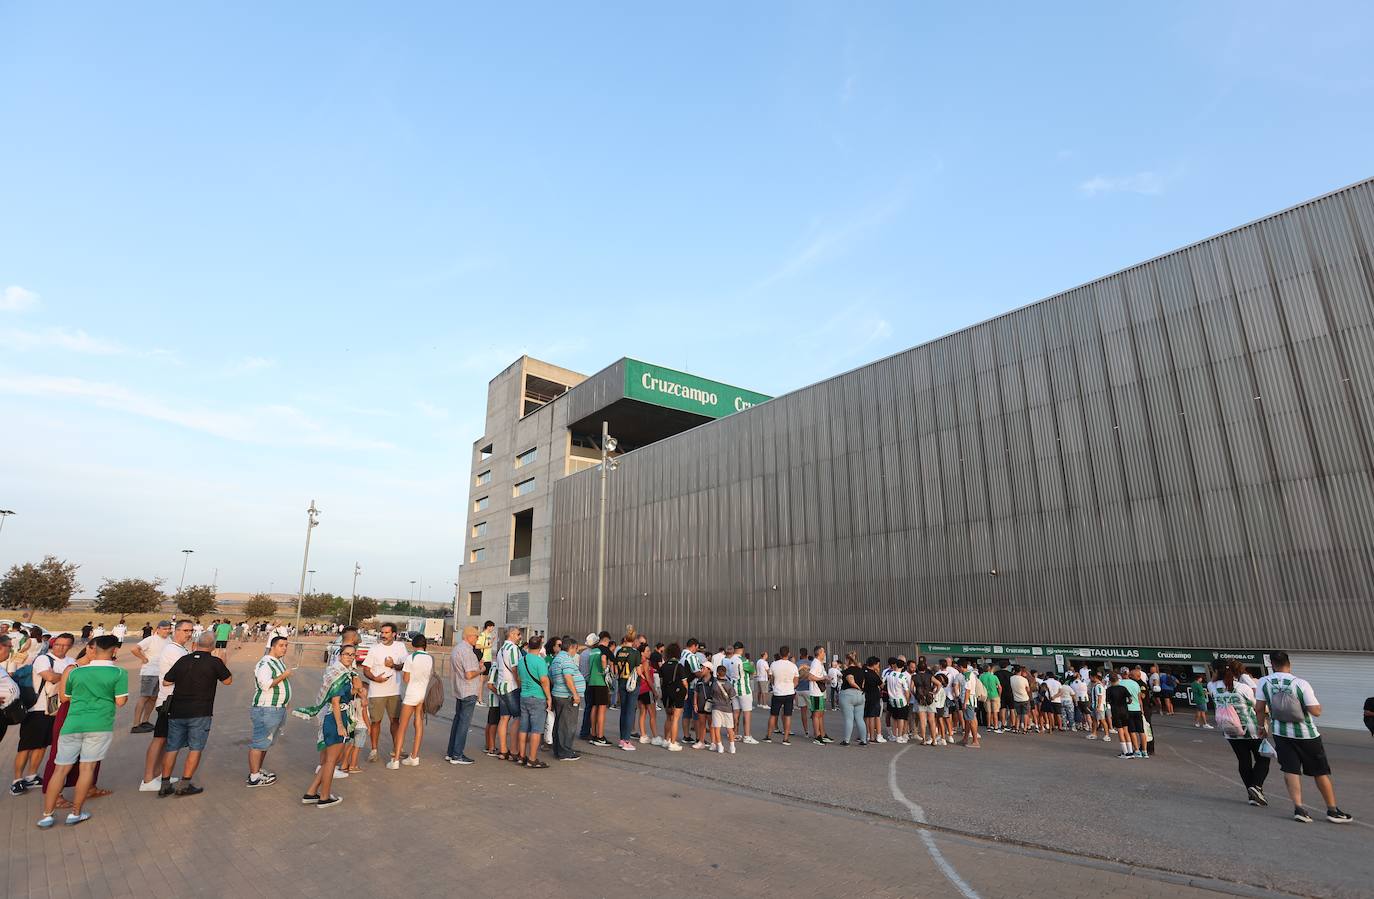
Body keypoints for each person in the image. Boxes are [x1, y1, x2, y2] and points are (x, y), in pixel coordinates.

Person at [35, 635, 126, 828]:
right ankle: (75, 813)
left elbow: (65, 697)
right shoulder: (119, 672)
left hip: (71, 724)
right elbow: (120, 701)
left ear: (93, 649)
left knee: (60, 769)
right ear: (114, 650)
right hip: (98, 725)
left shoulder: (75, 671)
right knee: (87, 769)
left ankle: (47, 815)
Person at [1255, 651, 1353, 824]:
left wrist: (1261, 727)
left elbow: (1259, 708)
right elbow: (1316, 711)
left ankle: (1299, 808)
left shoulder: (1264, 682)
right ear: (1289, 663)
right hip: (1307, 735)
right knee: (1320, 771)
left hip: (1280, 733)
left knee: (1290, 770)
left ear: (1272, 664)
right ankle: (1332, 810)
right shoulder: (1300, 683)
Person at [158, 631, 232, 796]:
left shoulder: (184, 659)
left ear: (197, 643)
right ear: (212, 646)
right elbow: (228, 681)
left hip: (177, 710)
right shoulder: (214, 662)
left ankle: (165, 784)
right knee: (195, 748)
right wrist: (223, 663)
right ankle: (184, 784)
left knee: (172, 747)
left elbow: (167, 681)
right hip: (200, 711)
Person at [296, 645, 358, 809]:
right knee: (331, 761)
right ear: (339, 655)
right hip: (336, 717)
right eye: (346, 654)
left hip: (336, 715)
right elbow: (335, 702)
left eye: (352, 655)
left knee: (331, 760)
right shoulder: (339, 675)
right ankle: (324, 797)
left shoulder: (342, 673)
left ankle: (311, 793)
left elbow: (347, 695)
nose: (350, 657)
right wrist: (340, 726)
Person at [13, 632, 74, 796]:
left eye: (65, 645)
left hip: (55, 709)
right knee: (26, 746)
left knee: (42, 745)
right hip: (37, 709)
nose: (60, 648)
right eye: (58, 644)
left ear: (70, 646)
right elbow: (50, 677)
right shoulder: (43, 659)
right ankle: (17, 780)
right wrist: (67, 676)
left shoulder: (71, 661)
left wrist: (63, 677)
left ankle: (32, 775)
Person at [140, 620, 194, 791]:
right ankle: (148, 779)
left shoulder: (181, 649)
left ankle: (158, 774)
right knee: (160, 738)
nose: (189, 634)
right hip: (168, 701)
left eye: (191, 631)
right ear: (176, 631)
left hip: (175, 700)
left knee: (166, 740)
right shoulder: (172, 650)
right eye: (185, 630)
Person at [1211, 662, 1270, 807]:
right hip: (1250, 729)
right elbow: (1257, 707)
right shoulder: (1243, 688)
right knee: (1263, 758)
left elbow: (1214, 682)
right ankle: (1256, 786)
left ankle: (1252, 794)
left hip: (1230, 730)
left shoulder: (1212, 686)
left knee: (1243, 760)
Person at [247, 635, 293, 787]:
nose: (284, 648)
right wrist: (284, 675)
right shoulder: (265, 663)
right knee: (259, 742)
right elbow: (265, 685)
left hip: (277, 707)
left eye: (286, 645)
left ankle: (258, 770)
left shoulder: (278, 662)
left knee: (265, 743)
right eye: (281, 645)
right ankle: (254, 777)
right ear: (272, 647)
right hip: (266, 708)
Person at [363, 623, 409, 763]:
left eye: (386, 632)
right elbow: (366, 669)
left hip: (394, 691)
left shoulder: (400, 647)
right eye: (382, 632)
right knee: (376, 721)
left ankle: (397, 748)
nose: (383, 635)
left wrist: (393, 665)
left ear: (394, 634)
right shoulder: (374, 649)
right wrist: (375, 679)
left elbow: (406, 666)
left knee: (395, 721)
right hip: (376, 692)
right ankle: (374, 750)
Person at [389, 634, 431, 769]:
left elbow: (406, 679)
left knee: (402, 726)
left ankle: (395, 760)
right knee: (418, 724)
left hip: (411, 694)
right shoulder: (430, 658)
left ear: (413, 644)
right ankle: (414, 756)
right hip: (423, 694)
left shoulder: (411, 658)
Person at [445, 625, 483, 765]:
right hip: (468, 690)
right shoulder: (467, 651)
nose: (477, 639)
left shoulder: (457, 649)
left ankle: (451, 752)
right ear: (469, 636)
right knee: (463, 724)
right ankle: (457, 754)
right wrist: (481, 669)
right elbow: (469, 674)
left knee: (457, 721)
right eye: (476, 636)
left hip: (459, 689)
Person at [129, 621, 172, 733]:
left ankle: (145, 721)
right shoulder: (150, 639)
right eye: (164, 629)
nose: (167, 631)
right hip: (150, 672)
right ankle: (136, 724)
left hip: (161, 673)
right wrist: (143, 658)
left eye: (169, 629)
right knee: (144, 697)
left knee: (153, 698)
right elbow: (134, 649)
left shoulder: (169, 640)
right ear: (158, 629)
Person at [515, 636, 551, 768]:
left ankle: (521, 756)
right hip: (537, 697)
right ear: (540, 647)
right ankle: (532, 759)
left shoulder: (521, 660)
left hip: (524, 696)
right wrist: (549, 697)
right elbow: (544, 680)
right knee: (536, 729)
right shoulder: (540, 661)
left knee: (523, 728)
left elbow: (519, 678)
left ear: (529, 645)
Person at [548, 638, 583, 761]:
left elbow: (550, 675)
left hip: (558, 694)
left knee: (560, 723)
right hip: (567, 696)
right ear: (571, 647)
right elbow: (568, 677)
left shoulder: (557, 658)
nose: (576, 652)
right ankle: (565, 752)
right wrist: (575, 694)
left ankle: (559, 749)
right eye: (576, 649)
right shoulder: (566, 659)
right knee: (568, 725)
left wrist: (558, 686)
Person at [612, 630, 642, 751]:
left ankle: (621, 739)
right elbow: (638, 671)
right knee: (630, 711)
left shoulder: (619, 651)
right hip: (632, 684)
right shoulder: (635, 653)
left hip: (621, 682)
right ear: (634, 640)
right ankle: (626, 740)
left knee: (623, 711)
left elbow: (615, 668)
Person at [763, 646, 798, 745]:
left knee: (773, 715)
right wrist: (790, 687)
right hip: (789, 692)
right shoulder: (793, 666)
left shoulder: (774, 664)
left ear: (780, 653)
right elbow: (796, 681)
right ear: (789, 654)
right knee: (787, 715)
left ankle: (768, 736)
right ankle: (785, 738)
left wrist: (775, 684)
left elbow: (771, 678)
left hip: (778, 692)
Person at [658, 642, 689, 751]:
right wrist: (686, 693)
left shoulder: (664, 666)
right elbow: (684, 682)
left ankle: (666, 740)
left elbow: (661, 681)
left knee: (668, 717)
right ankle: (673, 742)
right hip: (677, 693)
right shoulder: (679, 666)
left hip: (666, 693)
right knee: (676, 718)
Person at [707, 665, 737, 753]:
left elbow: (711, 695)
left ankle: (720, 746)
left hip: (716, 707)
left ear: (717, 673)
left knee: (717, 727)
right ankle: (732, 747)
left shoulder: (714, 684)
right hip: (727, 708)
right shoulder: (729, 684)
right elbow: (733, 696)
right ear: (725, 673)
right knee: (730, 728)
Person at [838, 653, 866, 746]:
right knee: (860, 719)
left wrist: (857, 687)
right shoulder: (861, 670)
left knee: (849, 719)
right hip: (860, 696)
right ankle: (863, 740)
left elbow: (851, 681)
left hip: (848, 695)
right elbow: (863, 683)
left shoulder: (847, 671)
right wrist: (861, 689)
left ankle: (846, 741)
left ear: (847, 660)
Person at [805, 646, 832, 745]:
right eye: (823, 651)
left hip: (820, 692)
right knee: (816, 715)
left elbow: (819, 676)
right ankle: (817, 736)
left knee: (820, 714)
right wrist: (822, 679)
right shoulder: (815, 663)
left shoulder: (819, 663)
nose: (824, 653)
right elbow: (810, 677)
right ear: (819, 653)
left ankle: (822, 734)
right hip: (815, 693)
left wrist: (826, 678)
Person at [883, 657, 911, 744]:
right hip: (901, 699)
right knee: (901, 718)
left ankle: (894, 735)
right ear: (902, 667)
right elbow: (906, 691)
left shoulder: (889, 674)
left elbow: (882, 683)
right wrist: (908, 701)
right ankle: (899, 736)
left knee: (894, 718)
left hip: (891, 699)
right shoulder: (902, 676)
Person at [961, 660, 982, 748]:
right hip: (971, 699)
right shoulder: (972, 674)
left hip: (968, 700)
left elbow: (968, 689)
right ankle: (965, 738)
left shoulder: (967, 675)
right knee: (969, 719)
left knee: (971, 720)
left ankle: (975, 741)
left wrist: (965, 702)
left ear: (961, 667)